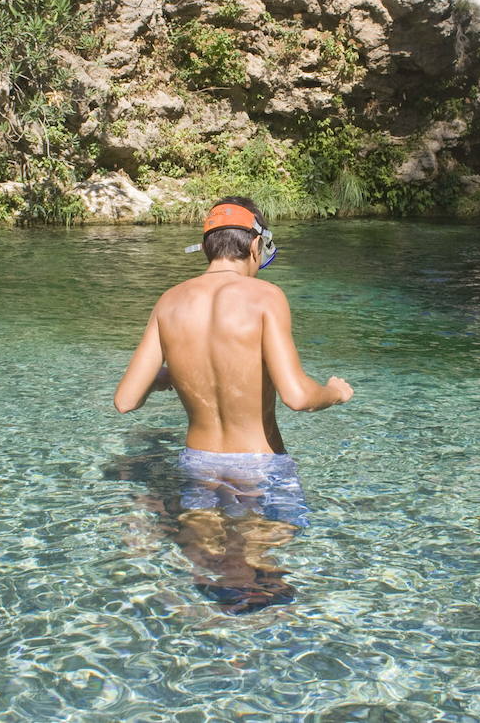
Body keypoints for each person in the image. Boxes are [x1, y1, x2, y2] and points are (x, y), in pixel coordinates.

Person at [113, 196, 353, 612]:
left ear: (208, 246)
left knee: (207, 569)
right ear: (255, 245)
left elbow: (126, 399)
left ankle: (206, 628)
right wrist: (335, 392)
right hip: (259, 465)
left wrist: (168, 377)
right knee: (266, 572)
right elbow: (297, 396)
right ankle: (250, 642)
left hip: (199, 464)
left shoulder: (169, 301)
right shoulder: (264, 296)